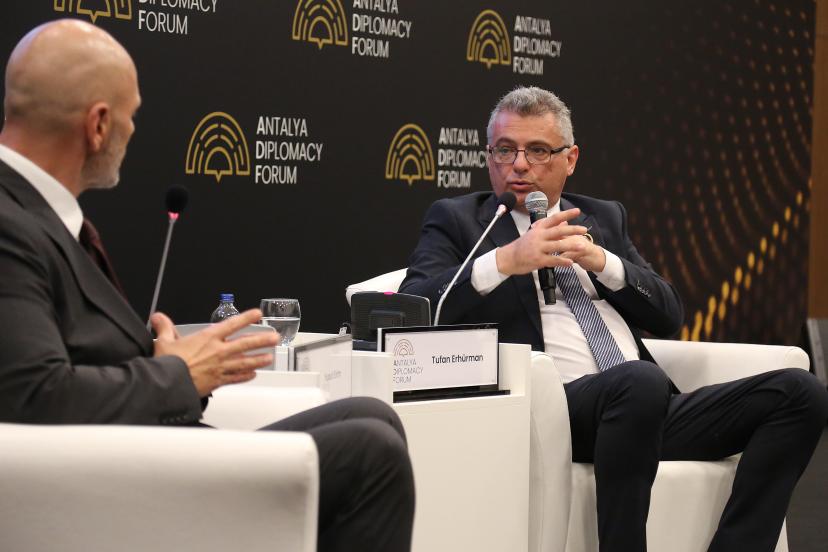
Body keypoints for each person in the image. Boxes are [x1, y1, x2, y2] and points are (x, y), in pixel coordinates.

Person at [0, 20, 413, 552]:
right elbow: (32, 398)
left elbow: (64, 355)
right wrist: (176, 373)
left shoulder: (42, 216)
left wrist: (160, 357)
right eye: (131, 117)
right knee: (371, 454)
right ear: (98, 125)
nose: (132, 132)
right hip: (112, 486)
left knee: (372, 414)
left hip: (148, 450)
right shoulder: (9, 224)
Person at [400, 85, 828, 551]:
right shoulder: (460, 221)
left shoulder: (603, 218)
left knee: (800, 393)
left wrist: (604, 262)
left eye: (537, 150)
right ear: (489, 157)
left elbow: (668, 316)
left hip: (648, 406)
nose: (518, 165)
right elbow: (414, 307)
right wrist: (506, 260)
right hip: (556, 410)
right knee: (638, 382)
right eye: (505, 150)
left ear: (570, 159)